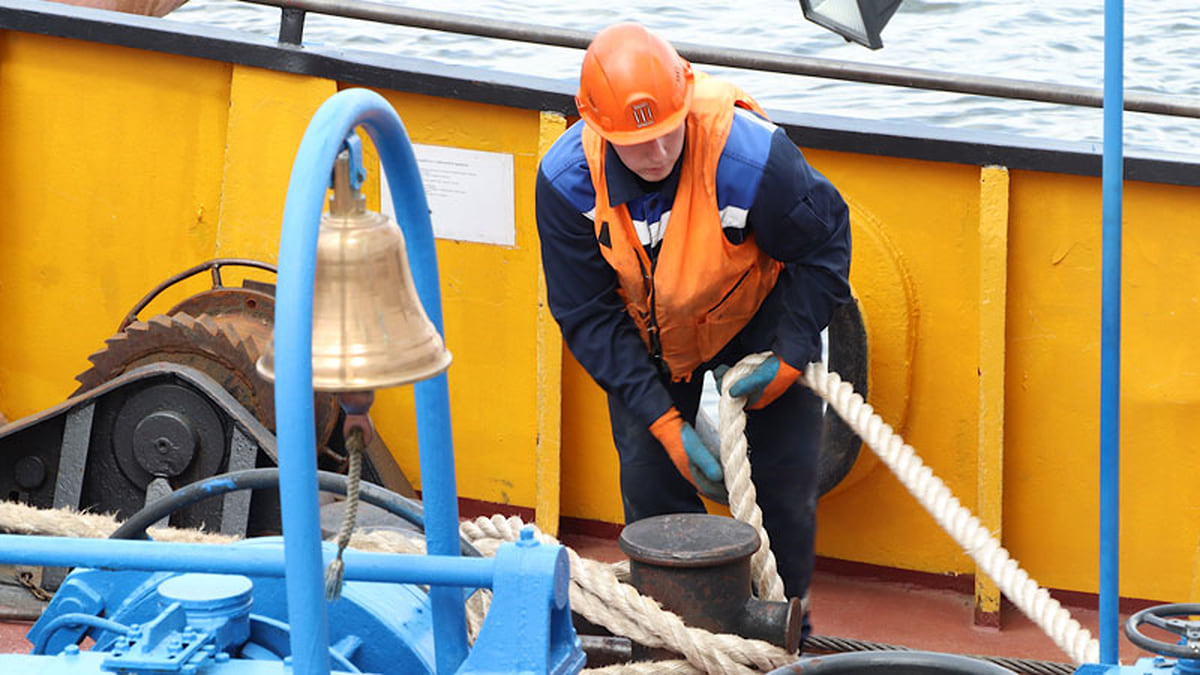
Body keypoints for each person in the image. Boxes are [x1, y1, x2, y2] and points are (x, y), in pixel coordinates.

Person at [535, 21, 851, 645]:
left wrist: (788, 354)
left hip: (754, 316)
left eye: (666, 132)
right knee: (653, 496)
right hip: (643, 339)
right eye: (636, 142)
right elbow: (586, 314)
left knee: (783, 489)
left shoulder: (751, 158)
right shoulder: (567, 183)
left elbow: (824, 247)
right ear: (597, 131)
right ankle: (674, 641)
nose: (656, 154)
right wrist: (663, 423)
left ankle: (782, 638)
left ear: (686, 102)